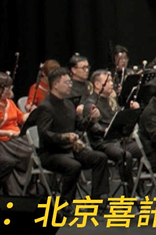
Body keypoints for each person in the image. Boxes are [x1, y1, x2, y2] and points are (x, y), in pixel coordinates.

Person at [26, 66, 110, 201]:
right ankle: (65, 203)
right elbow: (45, 134)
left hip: (70, 149)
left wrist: (90, 118)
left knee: (100, 158)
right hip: (51, 153)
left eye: (70, 82)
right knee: (73, 166)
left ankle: (98, 199)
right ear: (55, 85)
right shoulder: (45, 107)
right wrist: (64, 137)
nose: (70, 85)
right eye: (67, 82)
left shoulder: (69, 104)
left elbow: (80, 125)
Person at [84, 69, 139, 192]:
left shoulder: (111, 100)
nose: (111, 84)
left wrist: (130, 112)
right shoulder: (91, 104)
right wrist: (105, 130)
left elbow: (119, 117)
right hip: (103, 142)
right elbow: (92, 127)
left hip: (119, 139)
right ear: (97, 84)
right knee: (125, 156)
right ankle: (130, 191)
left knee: (143, 148)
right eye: (108, 81)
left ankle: (139, 186)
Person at [0, 73, 33, 196]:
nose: (11, 90)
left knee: (35, 148)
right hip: (3, 143)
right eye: (8, 88)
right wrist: (8, 133)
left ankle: (29, 189)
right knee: (31, 152)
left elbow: (21, 118)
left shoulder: (10, 102)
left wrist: (34, 114)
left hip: (16, 139)